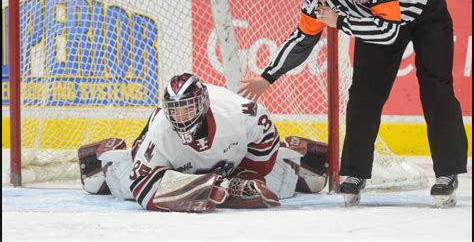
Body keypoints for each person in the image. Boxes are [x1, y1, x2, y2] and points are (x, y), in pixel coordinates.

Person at [238, 0, 468, 208]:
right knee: (362, 95)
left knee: (436, 87)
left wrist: (341, 22)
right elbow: (302, 39)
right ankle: (356, 173)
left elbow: (390, 32)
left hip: (424, 13)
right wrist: (267, 77)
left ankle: (447, 172)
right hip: (373, 19)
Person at [77, 73, 329, 212]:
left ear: (203, 104)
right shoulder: (160, 131)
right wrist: (212, 187)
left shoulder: (241, 113)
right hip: (172, 167)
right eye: (175, 110)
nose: (181, 116)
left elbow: (266, 141)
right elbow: (141, 187)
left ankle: (301, 157)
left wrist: (246, 175)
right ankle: (100, 162)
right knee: (123, 189)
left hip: (231, 162)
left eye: (188, 108)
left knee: (282, 189)